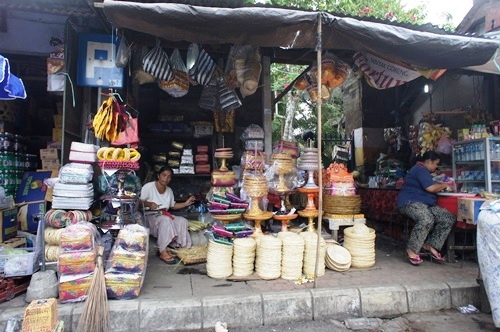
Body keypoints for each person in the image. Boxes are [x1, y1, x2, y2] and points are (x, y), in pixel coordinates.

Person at [396, 151, 455, 266]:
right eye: (435, 163)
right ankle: (412, 250)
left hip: (425, 205)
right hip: (409, 203)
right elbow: (431, 188)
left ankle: (430, 245)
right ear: (429, 161)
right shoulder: (420, 169)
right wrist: (444, 185)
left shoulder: (425, 171)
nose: (436, 166)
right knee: (426, 218)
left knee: (448, 217)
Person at [141, 166, 196, 264]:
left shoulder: (169, 190)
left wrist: (185, 203)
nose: (166, 178)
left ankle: (180, 248)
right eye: (164, 175)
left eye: (169, 177)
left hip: (164, 214)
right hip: (150, 215)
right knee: (165, 220)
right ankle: (162, 251)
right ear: (158, 176)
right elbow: (140, 202)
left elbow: (172, 206)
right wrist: (149, 204)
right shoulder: (148, 187)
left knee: (182, 221)